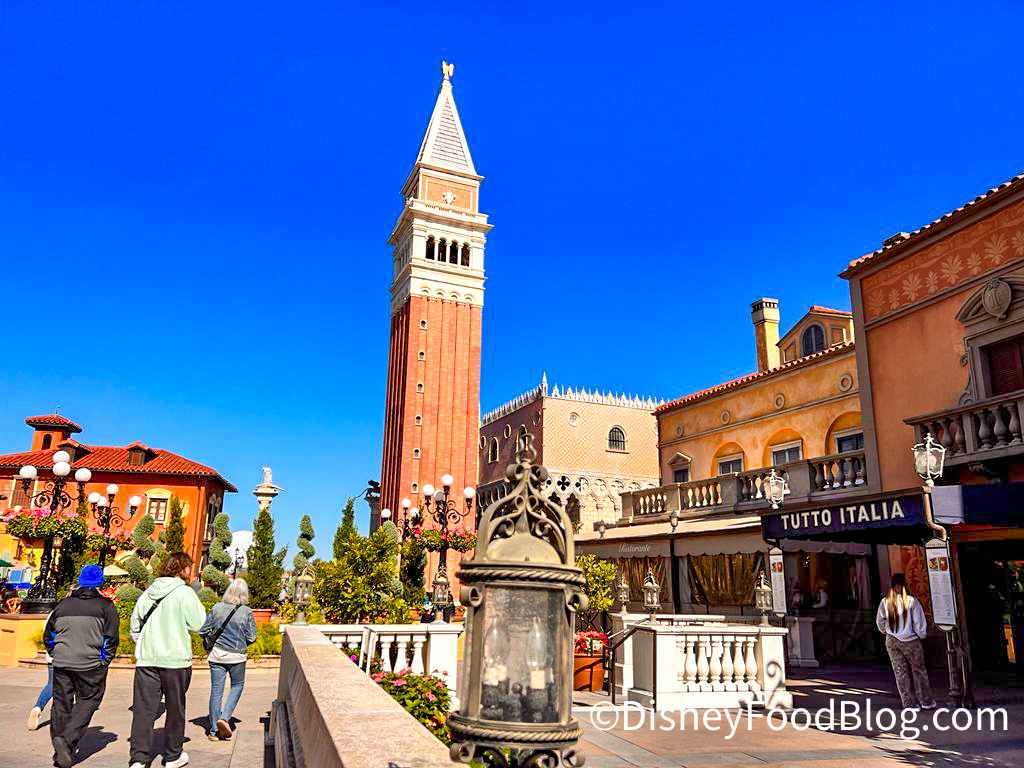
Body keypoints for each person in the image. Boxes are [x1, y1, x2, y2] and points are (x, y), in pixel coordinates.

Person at [128, 552, 207, 768]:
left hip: (147, 661)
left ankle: (138, 759)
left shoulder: (148, 593)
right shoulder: (185, 593)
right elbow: (199, 624)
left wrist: (147, 645)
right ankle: (172, 756)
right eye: (189, 567)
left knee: (144, 710)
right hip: (175, 660)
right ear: (182, 569)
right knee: (175, 709)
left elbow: (135, 626)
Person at [43, 564, 119, 768]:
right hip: (90, 664)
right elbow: (111, 638)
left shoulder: (63, 605)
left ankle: (60, 751)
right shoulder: (106, 606)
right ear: (100, 583)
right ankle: (66, 740)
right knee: (89, 699)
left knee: (61, 704)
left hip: (62, 662)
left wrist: (55, 653)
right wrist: (104, 661)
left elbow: (49, 635)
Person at [199, 578, 259, 741]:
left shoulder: (217, 608)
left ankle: (213, 732)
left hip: (217, 655)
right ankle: (224, 718)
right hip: (237, 656)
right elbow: (252, 637)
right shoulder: (246, 611)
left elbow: (203, 630)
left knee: (216, 690)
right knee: (237, 686)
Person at [876, 573, 936, 709]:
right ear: (905, 585)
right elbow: (919, 624)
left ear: (892, 586)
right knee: (919, 671)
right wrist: (922, 636)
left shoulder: (885, 602)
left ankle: (909, 703)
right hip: (911, 640)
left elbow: (880, 622)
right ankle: (925, 701)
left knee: (900, 672)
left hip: (892, 641)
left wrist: (887, 632)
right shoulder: (912, 601)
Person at [27, 647, 53, 730]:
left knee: (51, 684)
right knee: (68, 686)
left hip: (53, 656)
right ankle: (60, 715)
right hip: (70, 658)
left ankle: (38, 707)